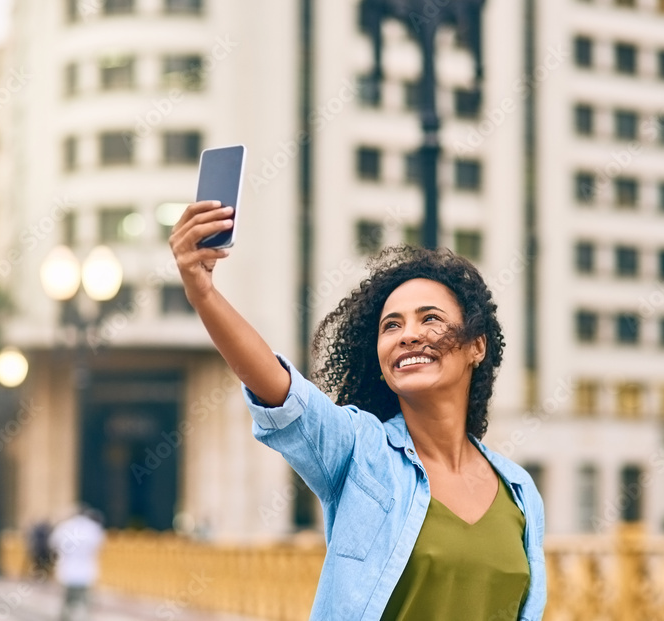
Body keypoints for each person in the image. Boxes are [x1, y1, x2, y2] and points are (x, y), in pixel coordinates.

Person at [169, 202, 546, 620]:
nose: (409, 335)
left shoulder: (520, 491)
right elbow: (281, 390)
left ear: (477, 346)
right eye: (392, 326)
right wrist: (202, 293)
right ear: (381, 364)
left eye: (430, 318)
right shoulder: (359, 451)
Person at [48, 506, 105, 621]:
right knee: (84, 602)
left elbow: (52, 544)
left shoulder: (64, 527)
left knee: (67, 602)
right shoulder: (92, 528)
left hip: (67, 570)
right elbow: (100, 545)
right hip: (87, 571)